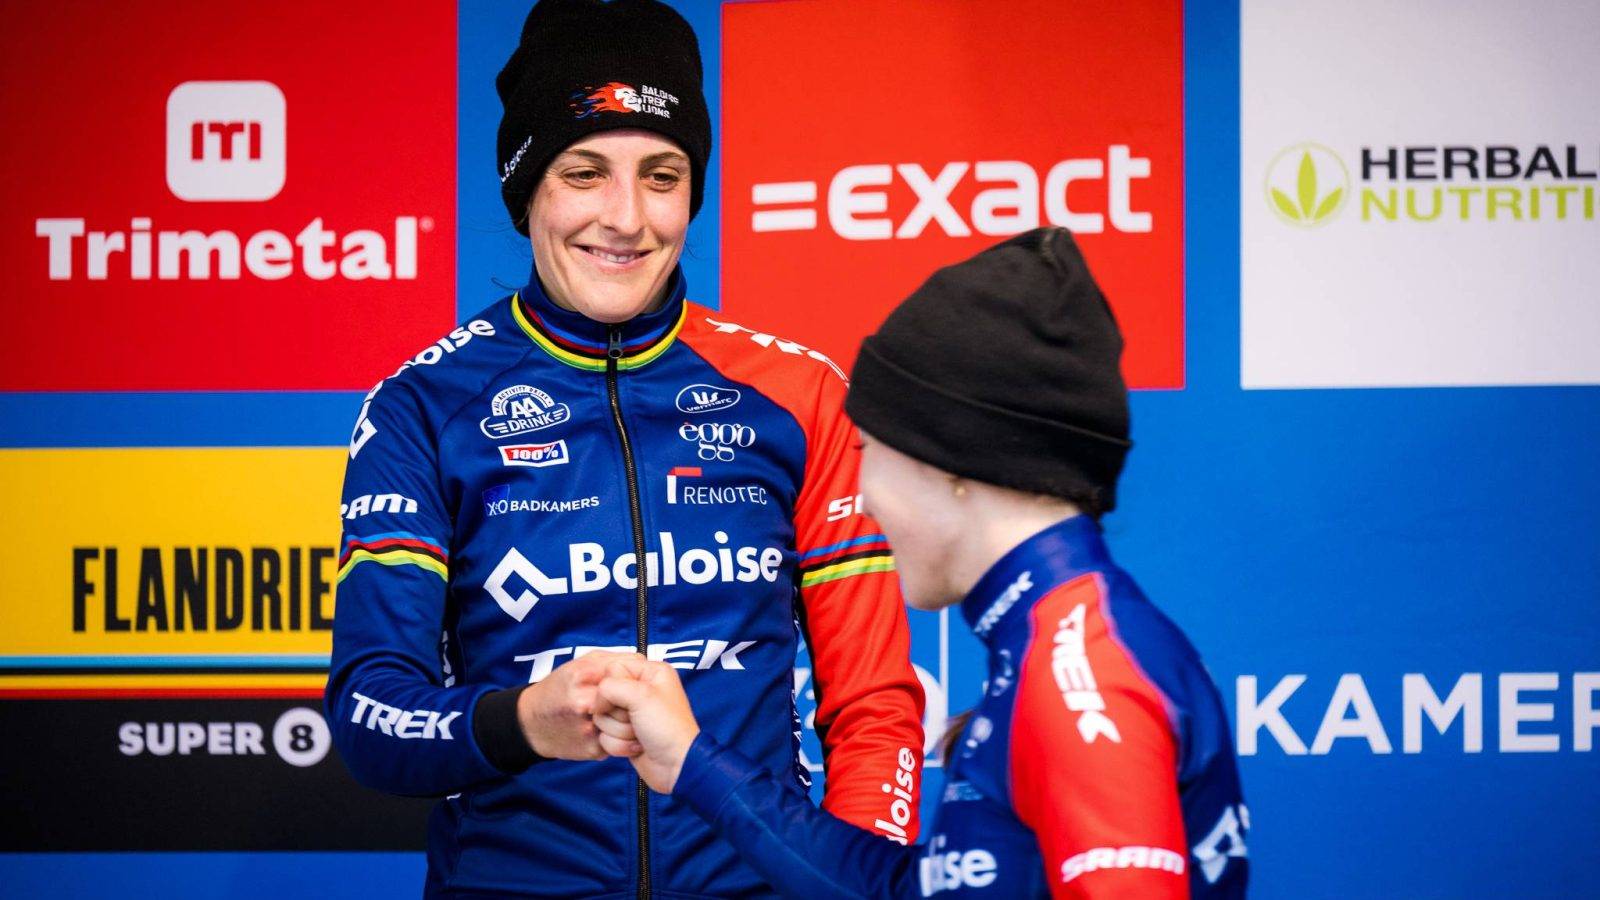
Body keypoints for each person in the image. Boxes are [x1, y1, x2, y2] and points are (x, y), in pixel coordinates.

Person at [324, 1, 925, 896]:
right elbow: (372, 718)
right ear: (526, 188)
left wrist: (860, 878)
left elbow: (874, 707)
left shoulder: (800, 397)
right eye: (585, 171)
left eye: (663, 174)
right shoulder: (425, 407)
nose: (627, 217)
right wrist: (523, 722)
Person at [589, 228, 1251, 898]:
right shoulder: (1057, 641)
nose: (865, 495)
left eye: (869, 448)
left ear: (954, 463)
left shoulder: (1079, 675)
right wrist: (694, 765)